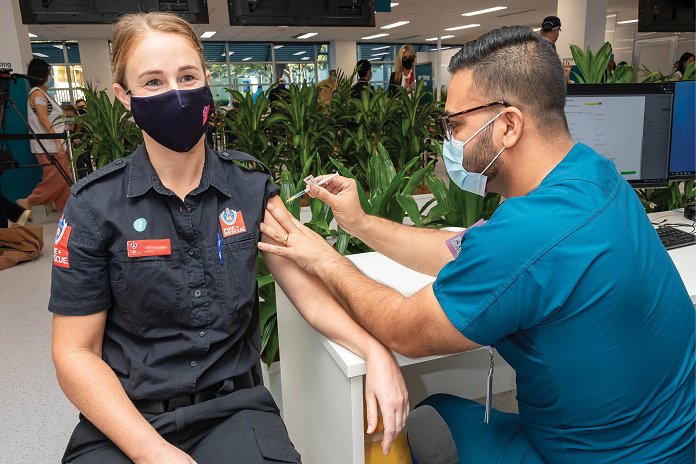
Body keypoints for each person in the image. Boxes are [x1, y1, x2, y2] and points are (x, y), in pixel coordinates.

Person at [259, 26, 694, 463]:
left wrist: (326, 259)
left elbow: (402, 328)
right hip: (676, 442)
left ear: (508, 125)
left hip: (594, 457)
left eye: (456, 124)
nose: (450, 141)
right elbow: (462, 250)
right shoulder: (596, 175)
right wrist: (359, 223)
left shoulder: (526, 234)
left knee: (430, 420)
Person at [49, 11, 408, 464]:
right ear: (124, 96)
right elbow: (74, 352)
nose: (175, 94)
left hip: (233, 409)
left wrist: (375, 351)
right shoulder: (92, 207)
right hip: (125, 417)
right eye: (154, 82)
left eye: (186, 76)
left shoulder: (249, 188)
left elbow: (309, 296)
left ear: (207, 80)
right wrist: (153, 453)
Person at [16, 58, 73, 213]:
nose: (50, 77)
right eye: (48, 73)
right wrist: (57, 141)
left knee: (65, 179)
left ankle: (67, 211)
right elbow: (43, 118)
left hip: (54, 143)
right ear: (42, 76)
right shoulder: (37, 94)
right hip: (49, 146)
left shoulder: (43, 94)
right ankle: (29, 201)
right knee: (57, 178)